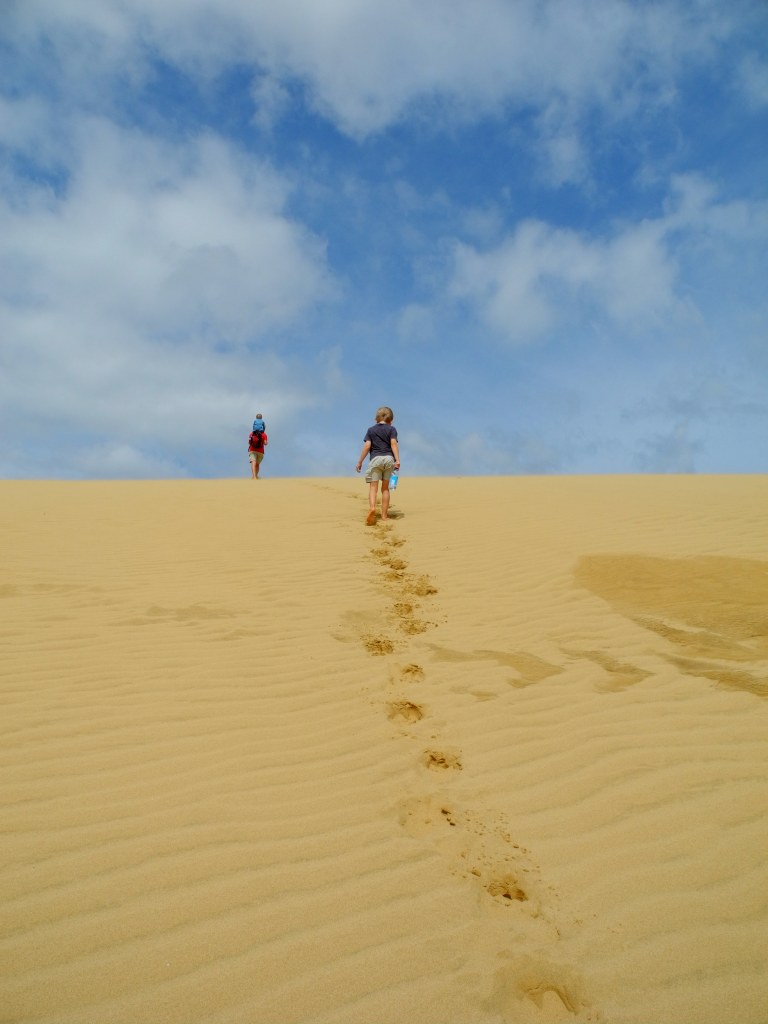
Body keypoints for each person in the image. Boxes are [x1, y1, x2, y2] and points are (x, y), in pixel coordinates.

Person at [356, 406, 400, 525]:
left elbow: (367, 447)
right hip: (389, 459)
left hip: (375, 459)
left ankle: (372, 508)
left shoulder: (371, 430)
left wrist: (360, 462)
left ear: (376, 419)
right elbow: (393, 444)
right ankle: (384, 516)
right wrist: (397, 460)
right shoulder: (392, 429)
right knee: (385, 488)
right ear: (390, 420)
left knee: (373, 488)